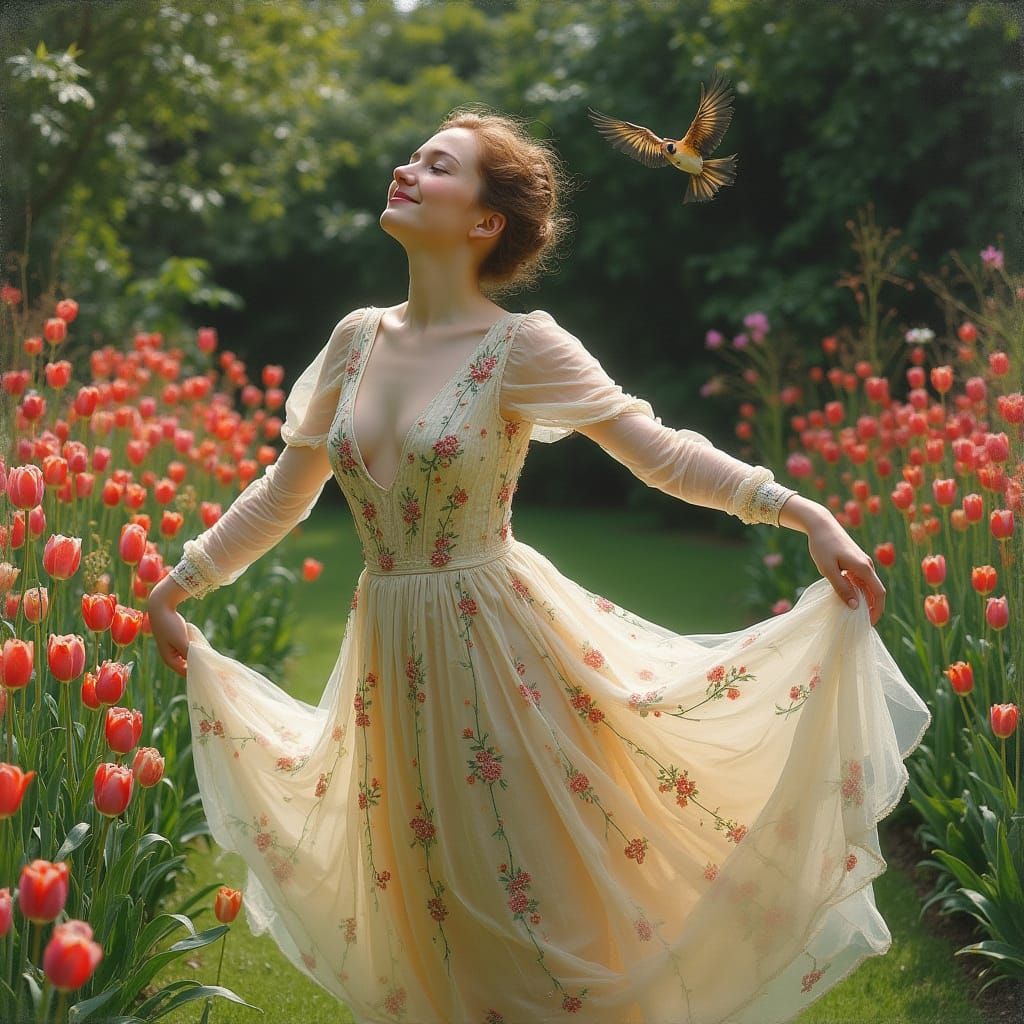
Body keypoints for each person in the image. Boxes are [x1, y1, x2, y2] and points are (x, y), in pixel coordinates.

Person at [146, 106, 931, 1024]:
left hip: (504, 653)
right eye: (411, 156)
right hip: (390, 662)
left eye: (436, 165)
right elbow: (285, 491)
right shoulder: (356, 339)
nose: (405, 169)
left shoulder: (521, 346)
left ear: (486, 222)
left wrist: (801, 512)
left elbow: (658, 450)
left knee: (535, 905)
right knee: (433, 905)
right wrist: (178, 582)